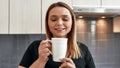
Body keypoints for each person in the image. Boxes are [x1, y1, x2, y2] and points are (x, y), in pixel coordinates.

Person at [18, 2, 95, 68]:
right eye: (53, 19)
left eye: (65, 19)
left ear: (72, 23)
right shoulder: (35, 47)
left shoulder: (83, 49)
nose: (59, 23)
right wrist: (41, 60)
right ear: (47, 23)